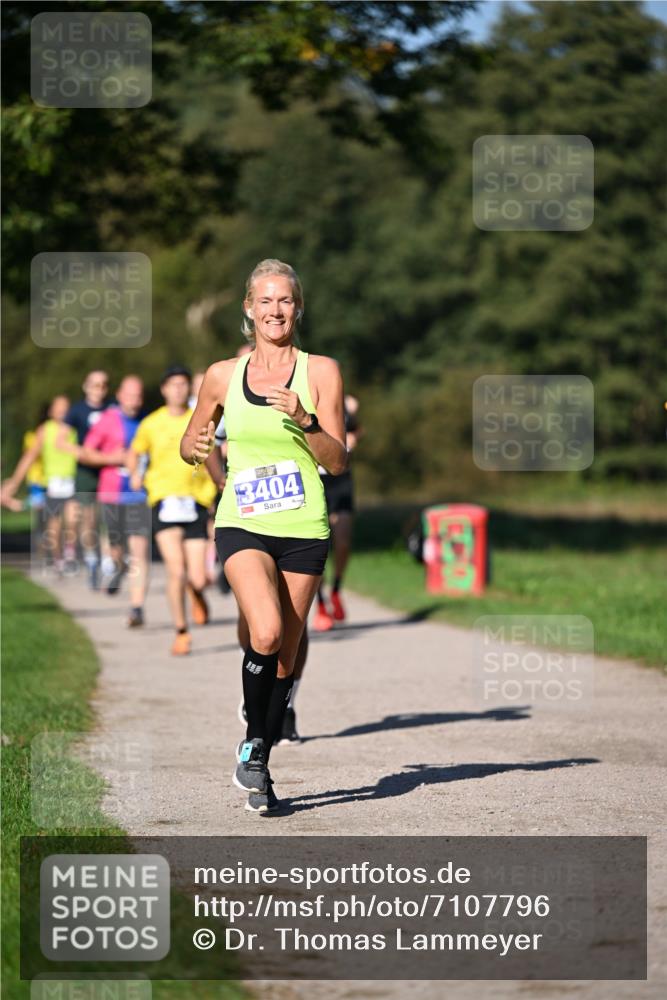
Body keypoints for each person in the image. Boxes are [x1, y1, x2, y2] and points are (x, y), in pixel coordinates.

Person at [180, 259, 347, 813]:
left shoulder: (321, 371)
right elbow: (191, 439)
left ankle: (258, 758)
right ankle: (255, 741)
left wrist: (306, 420)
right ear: (248, 309)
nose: (276, 311)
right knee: (268, 631)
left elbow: (338, 461)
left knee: (286, 659)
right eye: (265, 301)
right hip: (242, 521)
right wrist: (196, 449)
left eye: (286, 301)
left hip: (303, 526)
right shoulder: (223, 374)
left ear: (298, 309)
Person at [128, 366, 224, 656]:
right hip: (163, 500)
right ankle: (181, 631)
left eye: (184, 385)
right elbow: (136, 452)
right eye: (173, 385)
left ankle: (197, 593)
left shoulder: (200, 420)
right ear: (164, 389)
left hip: (195, 500)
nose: (179, 390)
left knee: (197, 576)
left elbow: (214, 449)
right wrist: (135, 472)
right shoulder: (151, 423)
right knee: (175, 569)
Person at [78, 376, 150, 626]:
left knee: (139, 552)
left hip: (139, 496)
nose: (135, 401)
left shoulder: (147, 421)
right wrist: (112, 458)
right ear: (119, 396)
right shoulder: (107, 420)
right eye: (130, 395)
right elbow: (86, 453)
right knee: (118, 550)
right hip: (112, 494)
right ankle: (118, 568)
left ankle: (137, 607)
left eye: (138, 396)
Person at [1, 396, 77, 572]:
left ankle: (70, 553)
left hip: (72, 480)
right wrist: (14, 482)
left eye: (65, 407)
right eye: (58, 407)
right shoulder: (44, 431)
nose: (62, 411)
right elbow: (30, 456)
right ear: (51, 411)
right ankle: (59, 560)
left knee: (72, 519)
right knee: (55, 525)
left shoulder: (74, 429)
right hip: (52, 482)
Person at [57, 371, 110, 588]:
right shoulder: (77, 410)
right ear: (86, 386)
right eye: (95, 385)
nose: (99, 389)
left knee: (109, 515)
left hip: (108, 468)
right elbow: (60, 441)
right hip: (85, 472)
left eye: (103, 385)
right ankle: (91, 559)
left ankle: (109, 560)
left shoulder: (112, 409)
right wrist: (82, 453)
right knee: (88, 518)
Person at [313, 393, 361, 630]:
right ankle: (320, 604)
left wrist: (351, 442)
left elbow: (354, 431)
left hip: (340, 480)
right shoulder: (302, 401)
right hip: (314, 479)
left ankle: (336, 590)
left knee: (342, 540)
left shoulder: (343, 408)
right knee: (319, 545)